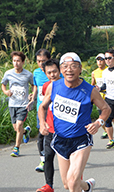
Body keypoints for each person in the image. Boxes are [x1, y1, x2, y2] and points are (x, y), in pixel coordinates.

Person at [38, 52, 111, 192]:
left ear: (80, 69)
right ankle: (87, 186)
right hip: (60, 139)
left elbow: (106, 109)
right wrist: (42, 123)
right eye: (65, 66)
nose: (69, 70)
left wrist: (98, 123)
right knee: (68, 184)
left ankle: (81, 185)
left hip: (81, 140)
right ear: (60, 69)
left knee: (72, 183)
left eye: (73, 66)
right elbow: (42, 106)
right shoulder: (54, 86)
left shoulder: (89, 90)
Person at [1, 51, 34, 157]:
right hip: (12, 104)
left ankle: (16, 148)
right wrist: (6, 92)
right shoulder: (8, 73)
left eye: (18, 61)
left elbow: (33, 85)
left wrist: (32, 94)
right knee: (16, 128)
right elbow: (3, 84)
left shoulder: (28, 74)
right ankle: (25, 131)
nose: (16, 63)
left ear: (23, 62)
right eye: (14, 61)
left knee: (19, 124)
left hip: (23, 104)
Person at [36, 59, 61, 192]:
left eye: (54, 72)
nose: (52, 75)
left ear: (60, 71)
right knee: (48, 156)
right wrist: (42, 123)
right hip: (51, 128)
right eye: (49, 72)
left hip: (65, 131)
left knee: (69, 160)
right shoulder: (47, 86)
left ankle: (78, 182)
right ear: (45, 73)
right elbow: (44, 106)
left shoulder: (68, 84)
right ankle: (49, 185)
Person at [31, 49, 50, 171]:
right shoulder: (36, 73)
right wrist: (32, 99)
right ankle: (43, 160)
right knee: (42, 135)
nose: (41, 63)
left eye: (44, 61)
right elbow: (36, 88)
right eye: (38, 61)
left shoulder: (55, 72)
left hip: (55, 110)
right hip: (41, 109)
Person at [91, 53, 108, 139]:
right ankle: (106, 131)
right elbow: (92, 84)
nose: (100, 62)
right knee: (101, 116)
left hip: (109, 96)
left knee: (111, 116)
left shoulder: (108, 70)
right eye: (98, 60)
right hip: (99, 97)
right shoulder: (94, 72)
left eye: (101, 59)